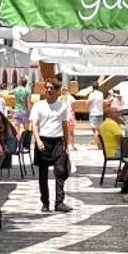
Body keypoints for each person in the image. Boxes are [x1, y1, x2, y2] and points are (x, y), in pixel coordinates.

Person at [30, 74, 75, 213]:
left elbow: (65, 126)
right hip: (43, 140)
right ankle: (45, 202)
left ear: (57, 90)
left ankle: (59, 202)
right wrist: (37, 141)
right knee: (42, 174)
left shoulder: (62, 106)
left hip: (57, 142)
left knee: (60, 171)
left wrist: (67, 145)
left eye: (51, 88)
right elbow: (34, 125)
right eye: (47, 88)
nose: (48, 90)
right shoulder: (38, 105)